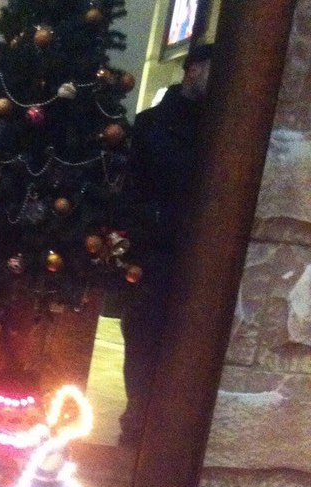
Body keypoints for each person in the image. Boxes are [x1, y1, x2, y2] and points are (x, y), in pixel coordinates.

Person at [118, 43, 214, 446]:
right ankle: (138, 418)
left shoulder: (223, 130)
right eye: (211, 69)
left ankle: (162, 424)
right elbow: (132, 188)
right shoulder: (152, 126)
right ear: (192, 70)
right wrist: (146, 229)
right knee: (143, 336)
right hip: (155, 250)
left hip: (200, 252)